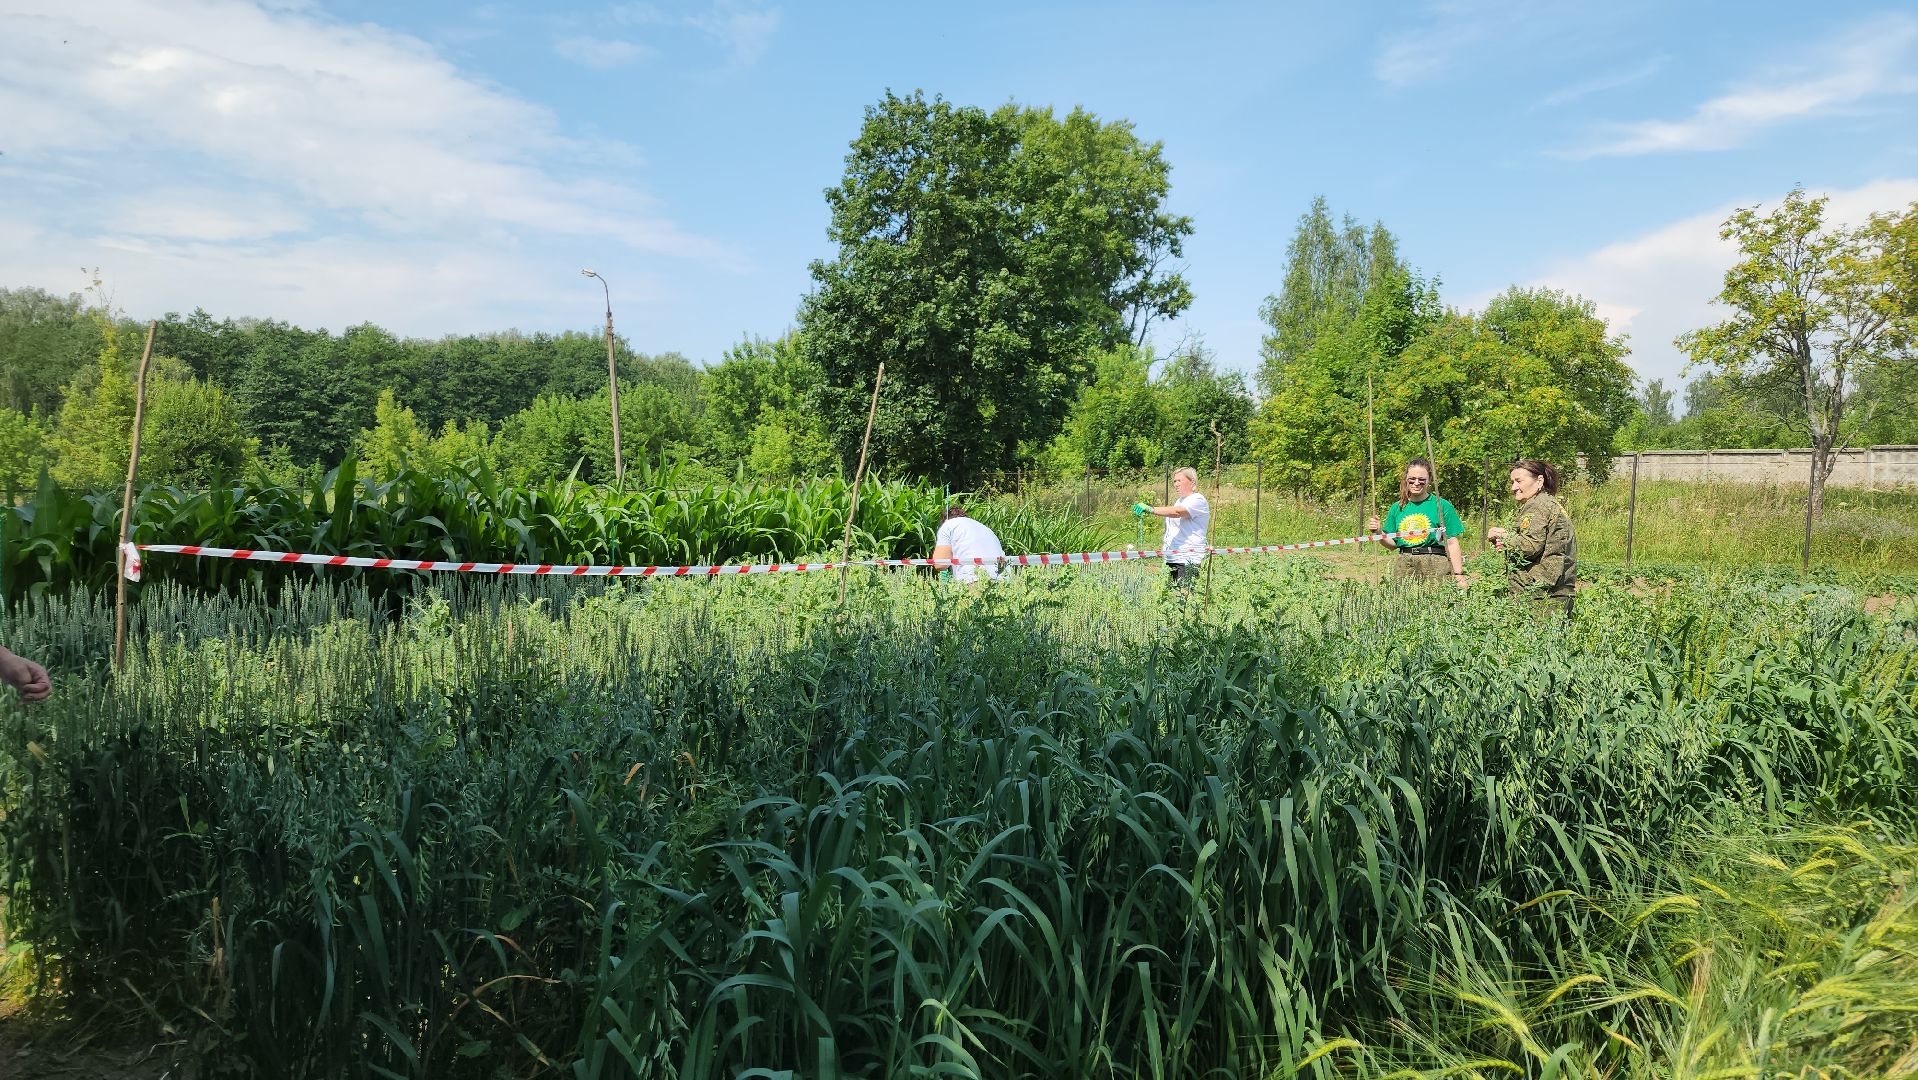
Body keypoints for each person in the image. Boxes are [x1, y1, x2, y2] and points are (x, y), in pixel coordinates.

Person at [1486, 458, 1577, 616]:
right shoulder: (1550, 503)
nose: (1514, 487)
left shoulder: (1538, 506)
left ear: (1539, 480)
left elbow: (1530, 546)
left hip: (1542, 596)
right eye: (1512, 482)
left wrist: (1505, 536)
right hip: (1556, 591)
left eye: (1519, 481)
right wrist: (1509, 542)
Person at [1367, 458, 1467, 588]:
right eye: (1412, 479)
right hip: (1405, 563)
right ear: (1406, 479)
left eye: (1421, 479)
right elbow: (1392, 545)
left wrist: (1459, 575)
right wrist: (1379, 532)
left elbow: (1452, 542)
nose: (1416, 483)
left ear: (1429, 479)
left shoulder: (1442, 505)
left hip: (1435, 563)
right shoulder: (1397, 507)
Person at [1134, 467, 1210, 588]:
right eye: (1174, 481)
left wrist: (1151, 509)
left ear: (1192, 482)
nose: (1176, 484)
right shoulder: (1180, 501)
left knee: (1184, 599)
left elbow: (1177, 512)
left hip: (1187, 560)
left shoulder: (1197, 500)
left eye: (1179, 480)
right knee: (1169, 600)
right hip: (1173, 557)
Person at [932, 505, 1006, 584]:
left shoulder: (947, 525)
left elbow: (940, 564)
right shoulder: (986, 528)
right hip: (1003, 578)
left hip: (973, 578)